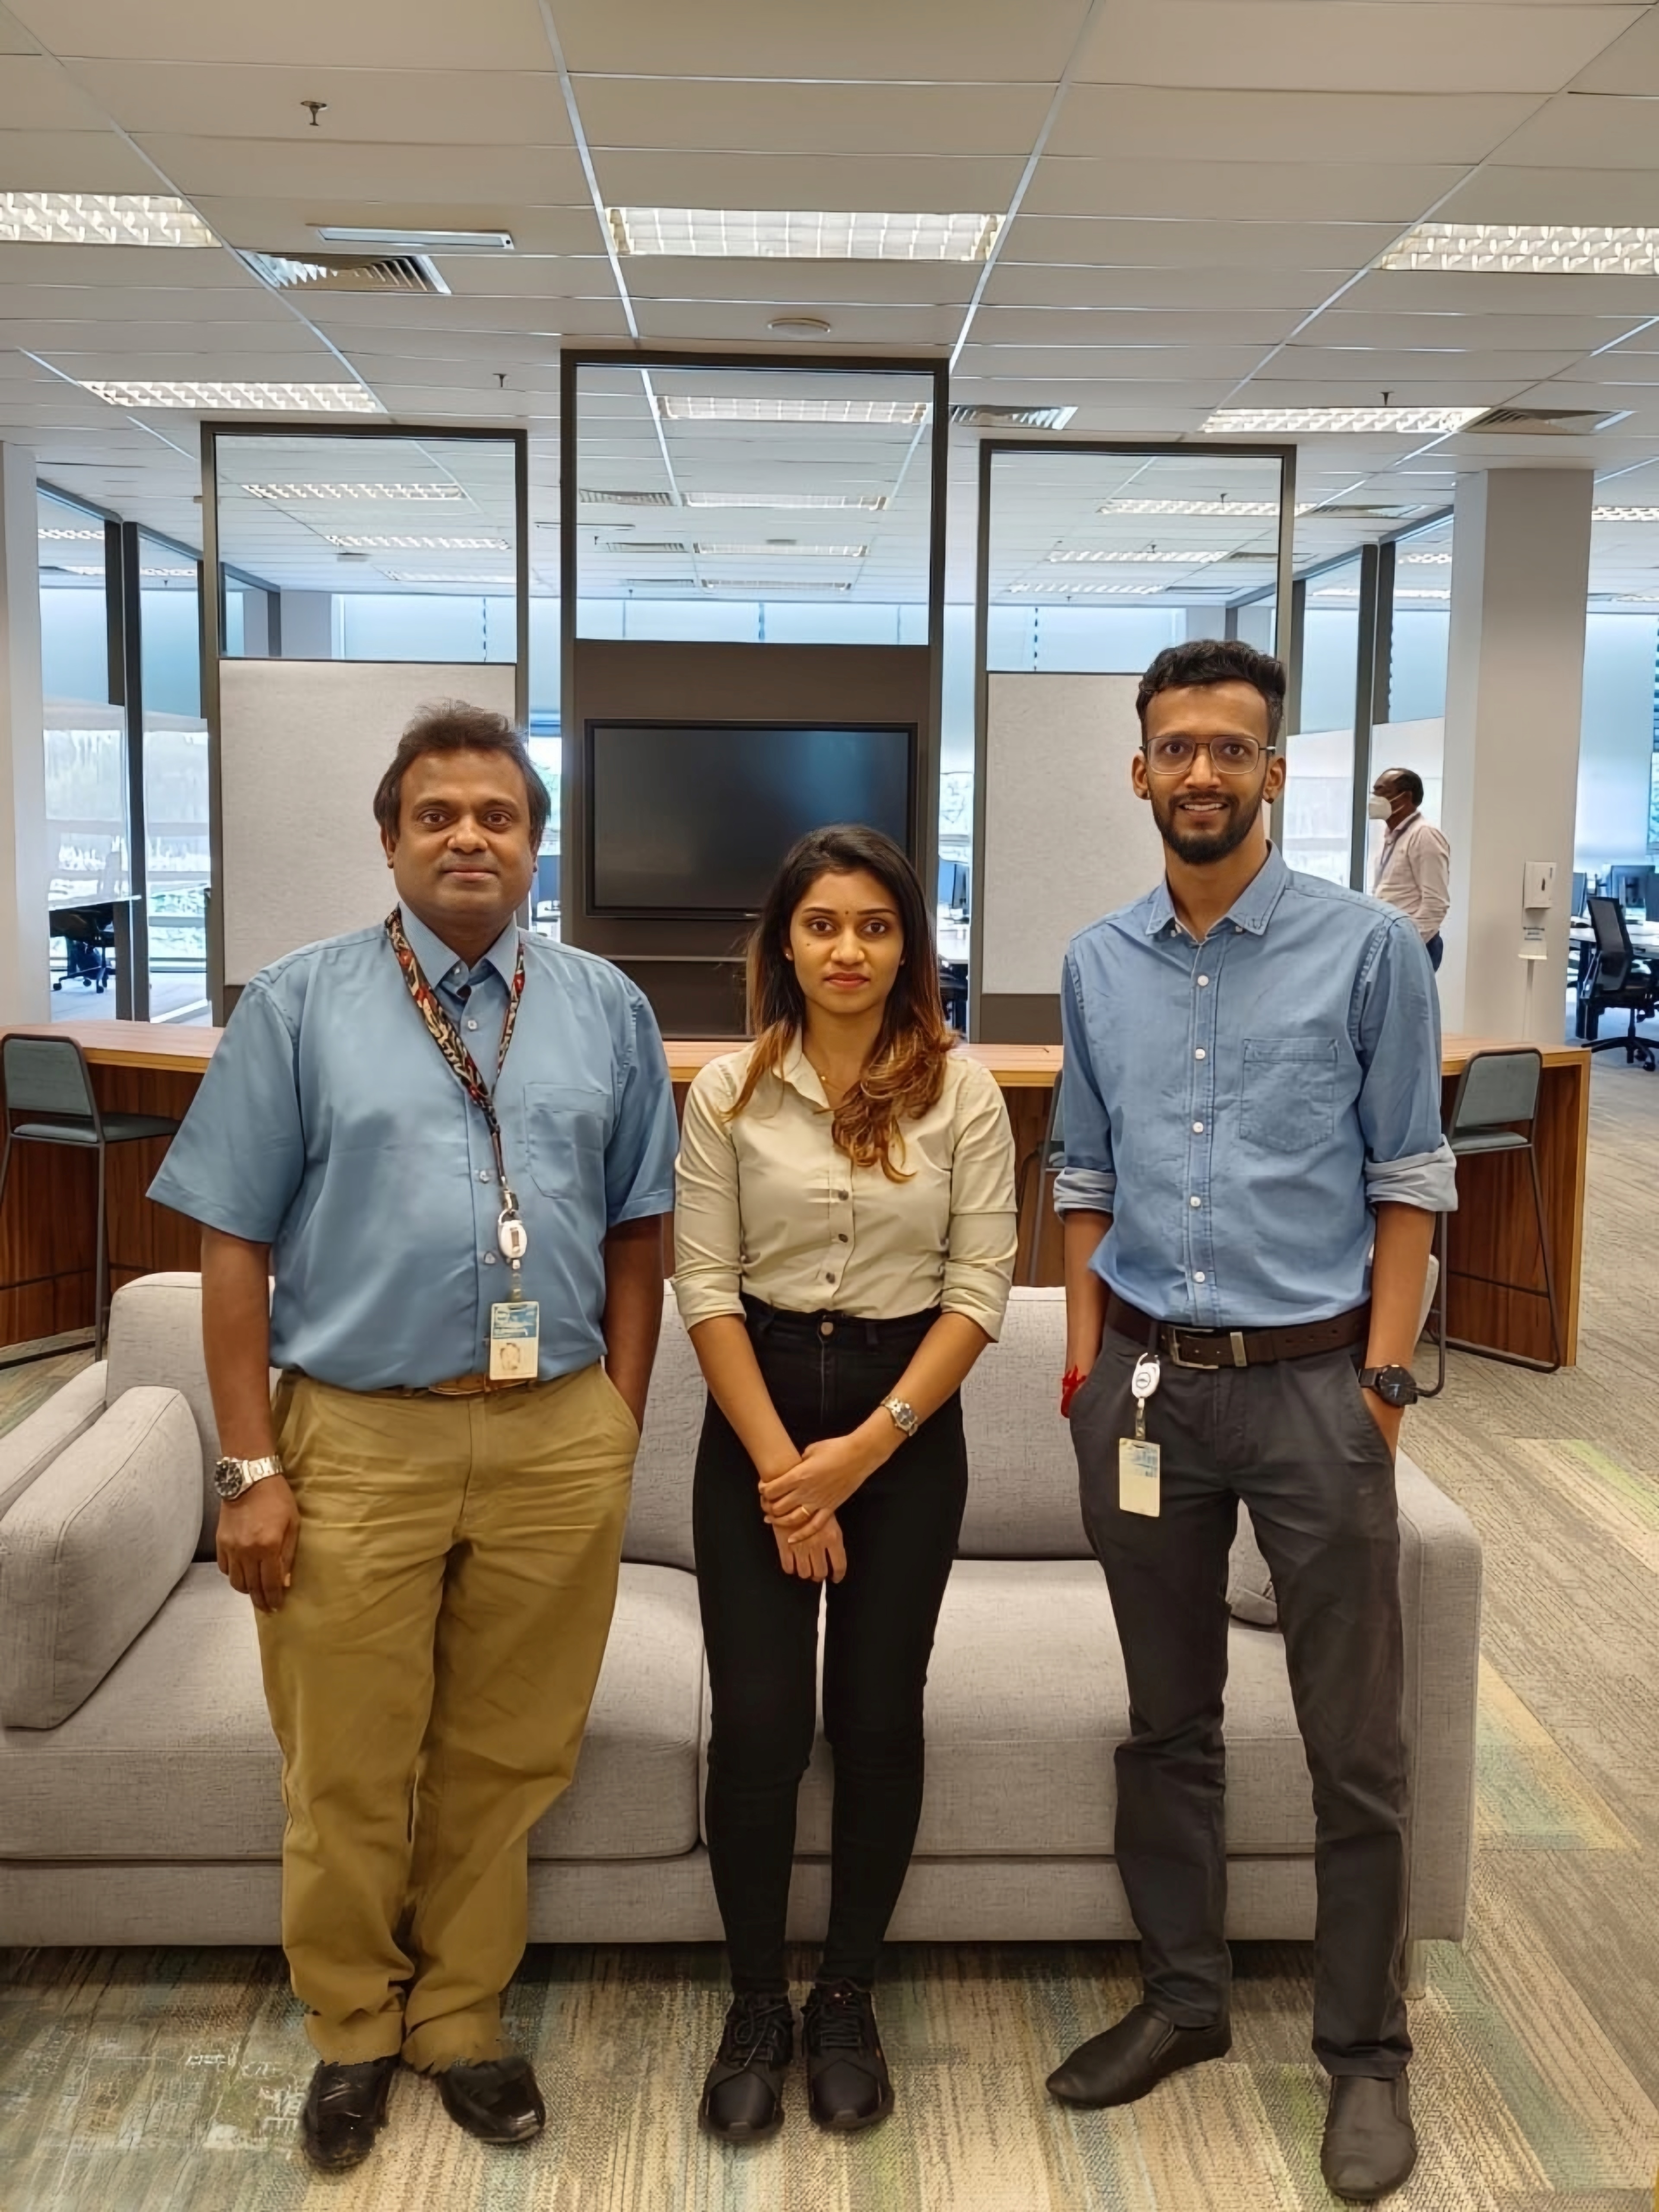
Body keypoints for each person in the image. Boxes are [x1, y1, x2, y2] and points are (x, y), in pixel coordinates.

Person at [148, 702, 678, 2174]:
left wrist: (616, 1417)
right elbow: (234, 1248)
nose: (468, 837)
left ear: (534, 844)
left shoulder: (606, 1008)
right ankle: (351, 2028)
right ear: (391, 840)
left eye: (497, 816)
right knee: (345, 1759)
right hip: (356, 1437)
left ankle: (459, 2016)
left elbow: (642, 1230)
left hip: (553, 1432)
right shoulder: (303, 1005)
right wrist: (248, 1468)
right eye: (437, 814)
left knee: (509, 1752)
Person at [1046, 641, 1454, 2204]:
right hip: (1149, 1385)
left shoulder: (1367, 953)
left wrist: (1383, 1386)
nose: (1202, 772)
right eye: (1175, 748)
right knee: (1168, 1723)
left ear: (1275, 770)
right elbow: (1079, 1178)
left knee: (1356, 1746)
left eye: (1231, 747)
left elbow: (1410, 1180)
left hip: (1314, 1389)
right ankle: (1187, 1996)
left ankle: (1365, 2053)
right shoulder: (1098, 962)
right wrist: (1087, 1371)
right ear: (1140, 770)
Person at [673, 823, 1016, 2142]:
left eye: (874, 924)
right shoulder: (726, 1091)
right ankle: (755, 1999)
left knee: (875, 1719)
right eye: (821, 923)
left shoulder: (960, 1092)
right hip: (757, 1423)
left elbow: (976, 1291)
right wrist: (783, 1472)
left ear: (907, 946)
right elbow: (701, 1284)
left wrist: (860, 1452)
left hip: (901, 1430)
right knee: (759, 1723)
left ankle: (846, 1994)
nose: (847, 948)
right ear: (782, 941)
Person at [1370, 766, 1451, 971]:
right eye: (1375, 792)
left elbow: (1436, 904)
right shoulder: (1390, 835)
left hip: (1413, 945)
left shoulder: (1425, 836)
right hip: (1389, 941)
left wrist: (1408, 944)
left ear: (1405, 798)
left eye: (1382, 792)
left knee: (1407, 1003)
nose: (1374, 799)